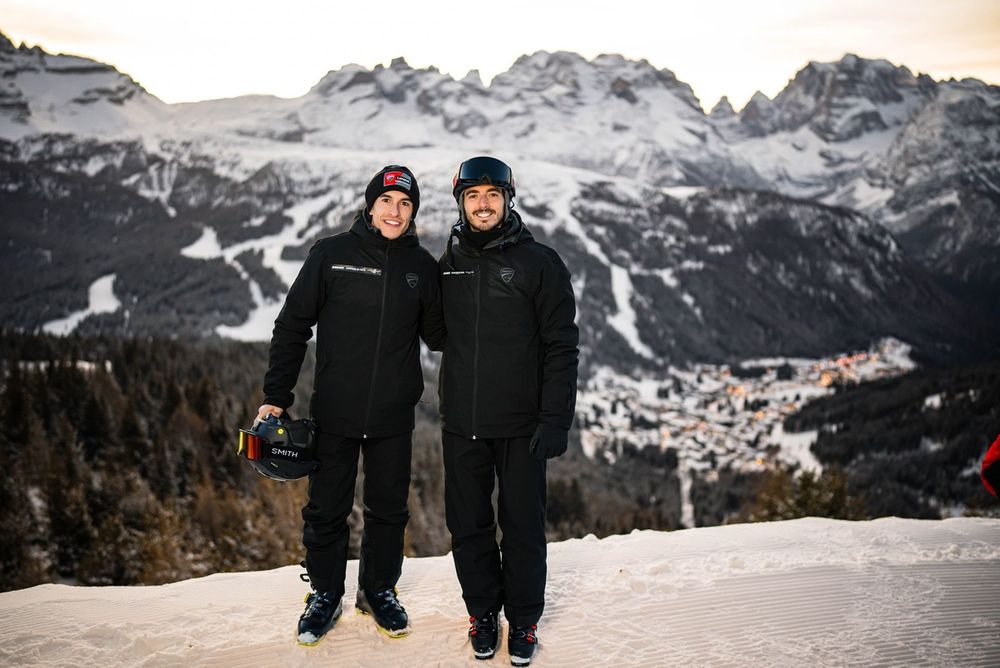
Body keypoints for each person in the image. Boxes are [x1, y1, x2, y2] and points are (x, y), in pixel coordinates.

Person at [257, 165, 445, 645]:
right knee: (326, 509)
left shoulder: (421, 268)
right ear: (370, 204)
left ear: (414, 212)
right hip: (335, 412)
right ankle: (323, 594)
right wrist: (277, 397)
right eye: (387, 201)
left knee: (388, 511)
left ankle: (378, 591)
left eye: (405, 204)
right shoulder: (332, 254)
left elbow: (442, 336)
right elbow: (292, 325)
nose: (395, 212)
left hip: (392, 416)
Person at [438, 156, 579, 666]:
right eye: (473, 195)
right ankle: (482, 613)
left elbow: (562, 346)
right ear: (460, 202)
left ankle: (523, 620)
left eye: (492, 195)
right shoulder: (448, 262)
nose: (483, 204)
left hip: (522, 426)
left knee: (521, 528)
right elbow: (433, 332)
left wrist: (555, 418)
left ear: (508, 199)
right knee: (469, 526)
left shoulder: (540, 263)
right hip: (463, 424)